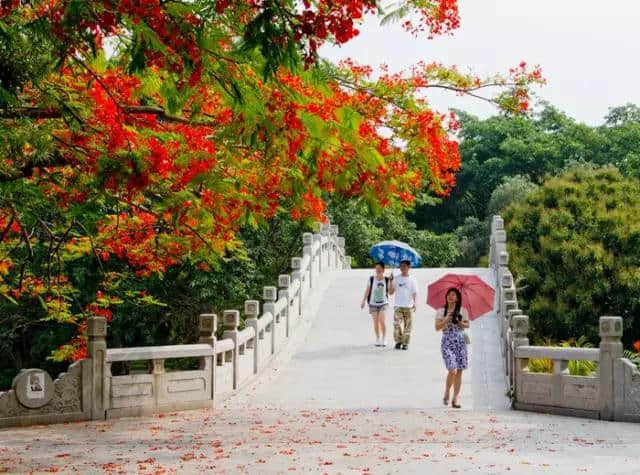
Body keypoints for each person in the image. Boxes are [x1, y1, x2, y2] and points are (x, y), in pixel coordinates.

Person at [434, 287, 469, 408]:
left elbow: (467, 325)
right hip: (447, 342)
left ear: (457, 298)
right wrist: (447, 318)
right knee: (452, 369)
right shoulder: (441, 311)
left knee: (459, 371)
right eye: (449, 294)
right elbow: (437, 327)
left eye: (453, 294)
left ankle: (455, 398)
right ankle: (447, 392)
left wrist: (459, 321)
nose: (450, 296)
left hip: (460, 342)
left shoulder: (463, 311)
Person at [360, 261, 390, 346]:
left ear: (384, 270)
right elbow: (367, 290)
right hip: (373, 303)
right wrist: (363, 301)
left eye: (380, 269)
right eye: (376, 269)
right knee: (375, 321)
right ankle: (377, 338)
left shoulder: (386, 279)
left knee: (382, 320)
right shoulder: (371, 279)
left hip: (383, 303)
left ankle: (384, 338)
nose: (378, 270)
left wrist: (391, 280)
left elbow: (391, 291)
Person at [389, 259, 417, 350]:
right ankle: (398, 341)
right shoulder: (396, 278)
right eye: (401, 266)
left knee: (408, 326)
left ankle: (405, 343)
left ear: (409, 267)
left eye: (404, 266)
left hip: (408, 306)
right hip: (398, 306)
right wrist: (390, 281)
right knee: (396, 324)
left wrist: (415, 303)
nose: (402, 268)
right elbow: (390, 292)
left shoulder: (412, 279)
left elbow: (414, 292)